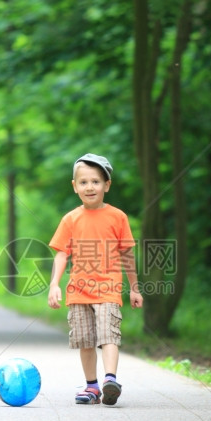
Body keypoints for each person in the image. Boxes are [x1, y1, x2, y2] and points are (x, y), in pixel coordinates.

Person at [48, 152, 143, 406]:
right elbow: (61, 254)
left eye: (96, 181)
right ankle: (92, 387)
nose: (90, 187)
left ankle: (110, 379)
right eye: (84, 182)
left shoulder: (118, 217)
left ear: (107, 185)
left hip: (109, 288)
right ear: (75, 186)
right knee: (85, 339)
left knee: (108, 334)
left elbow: (127, 254)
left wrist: (134, 288)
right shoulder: (70, 219)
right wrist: (54, 284)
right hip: (78, 291)